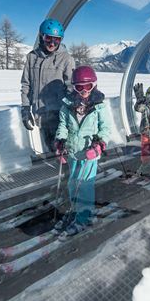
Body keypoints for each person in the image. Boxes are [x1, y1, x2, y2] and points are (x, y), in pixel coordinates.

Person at [53, 66, 110, 239]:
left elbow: (105, 128)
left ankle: (84, 217)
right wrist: (60, 142)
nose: (84, 91)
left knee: (84, 184)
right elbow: (63, 126)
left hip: (89, 152)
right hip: (72, 151)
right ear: (74, 87)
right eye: (79, 87)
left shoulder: (99, 106)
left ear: (94, 85)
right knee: (72, 183)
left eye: (88, 86)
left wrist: (100, 144)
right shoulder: (67, 105)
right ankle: (76, 210)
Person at [20, 18, 75, 151]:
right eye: (48, 38)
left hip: (59, 115)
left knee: (62, 151)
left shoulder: (66, 59)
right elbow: (26, 85)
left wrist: (71, 113)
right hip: (40, 114)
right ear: (41, 37)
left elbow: (71, 87)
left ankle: (66, 170)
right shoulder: (31, 57)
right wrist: (25, 109)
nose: (52, 43)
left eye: (57, 39)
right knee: (50, 149)